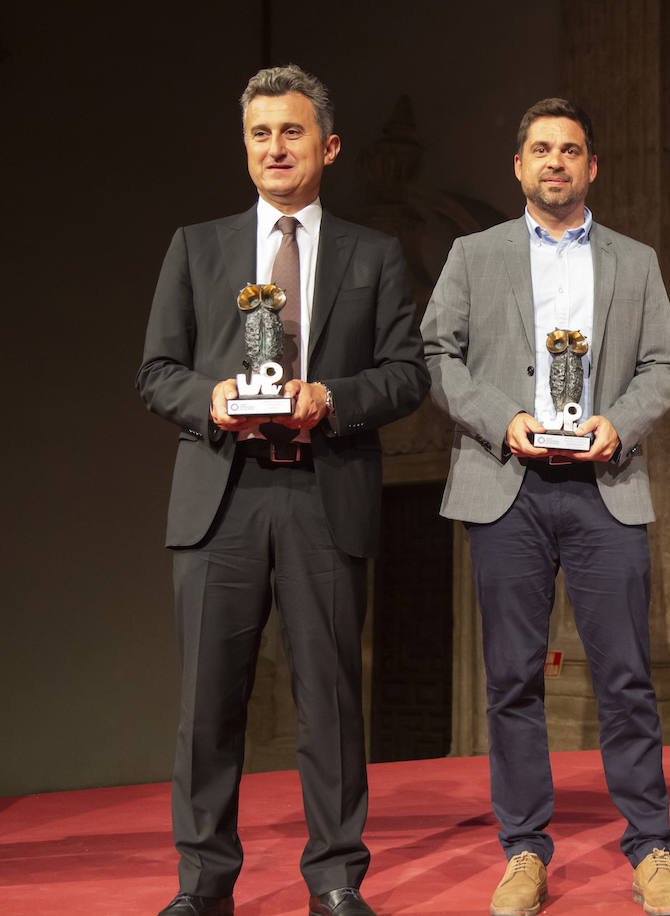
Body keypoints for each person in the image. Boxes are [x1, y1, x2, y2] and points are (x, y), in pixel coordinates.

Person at [136, 64, 428, 916]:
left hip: (322, 489)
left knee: (330, 703)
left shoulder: (373, 254)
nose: (274, 148)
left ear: (327, 146)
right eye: (260, 134)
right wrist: (211, 398)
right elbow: (156, 371)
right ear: (245, 147)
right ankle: (203, 886)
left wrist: (332, 398)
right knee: (205, 707)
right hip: (219, 497)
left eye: (292, 132)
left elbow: (407, 376)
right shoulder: (196, 245)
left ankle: (336, 881)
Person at [421, 98, 670, 916]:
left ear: (592, 166)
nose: (555, 163)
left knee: (625, 676)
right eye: (540, 149)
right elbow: (438, 352)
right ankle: (525, 851)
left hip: (606, 483)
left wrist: (624, 421)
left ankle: (649, 849)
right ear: (519, 165)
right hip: (508, 483)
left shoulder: (635, 260)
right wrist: (504, 419)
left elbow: (663, 365)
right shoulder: (474, 253)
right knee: (511, 679)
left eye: (570, 150)